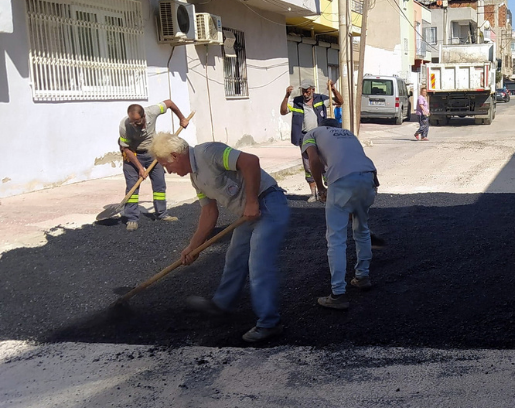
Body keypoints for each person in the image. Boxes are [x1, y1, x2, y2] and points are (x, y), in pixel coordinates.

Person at [149, 132, 290, 343]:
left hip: (268, 203)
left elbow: (250, 161)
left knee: (258, 264)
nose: (168, 170)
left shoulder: (208, 152)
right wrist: (193, 247)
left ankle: (269, 323)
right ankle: (221, 305)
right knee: (235, 257)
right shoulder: (196, 179)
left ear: (175, 155)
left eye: (166, 165)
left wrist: (251, 201)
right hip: (247, 214)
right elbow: (209, 213)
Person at [302, 120, 379, 310]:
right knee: (361, 230)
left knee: (336, 238)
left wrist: (320, 189)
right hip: (369, 177)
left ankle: (338, 294)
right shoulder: (349, 134)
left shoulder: (312, 134)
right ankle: (362, 276)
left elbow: (313, 161)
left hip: (343, 180)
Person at [119, 100, 187, 231]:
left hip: (152, 153)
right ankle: (132, 218)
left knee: (159, 183)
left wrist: (182, 118)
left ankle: (162, 214)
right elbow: (126, 149)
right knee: (133, 186)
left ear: (144, 116)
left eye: (137, 121)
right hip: (133, 154)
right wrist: (140, 168)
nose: (135, 124)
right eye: (132, 122)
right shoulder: (124, 125)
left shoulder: (152, 111)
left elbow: (170, 103)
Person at [280, 79, 343, 203]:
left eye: (307, 91)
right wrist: (286, 96)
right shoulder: (297, 102)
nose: (305, 94)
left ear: (312, 90)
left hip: (321, 135)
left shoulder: (321, 99)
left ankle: (328, 190)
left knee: (324, 163)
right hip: (304, 137)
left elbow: (340, 101)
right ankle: (314, 193)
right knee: (308, 164)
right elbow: (283, 111)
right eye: (303, 91)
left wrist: (334, 89)